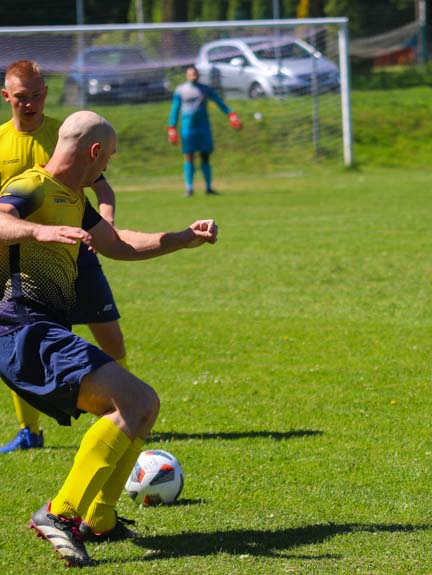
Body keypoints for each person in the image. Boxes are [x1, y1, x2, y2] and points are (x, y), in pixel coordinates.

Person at [0, 110, 218, 567]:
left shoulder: (72, 198)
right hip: (21, 328)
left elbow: (116, 242)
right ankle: (60, 513)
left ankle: (98, 517)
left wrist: (179, 239)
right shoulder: (30, 186)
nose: (107, 169)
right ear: (94, 153)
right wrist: (40, 230)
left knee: (143, 406)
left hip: (42, 330)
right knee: (135, 402)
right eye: (109, 158)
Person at [0, 59, 128, 454]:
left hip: (75, 243)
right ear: (7, 97)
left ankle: (120, 406)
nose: (31, 103)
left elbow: (103, 189)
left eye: (38, 94)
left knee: (110, 335)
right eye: (23, 97)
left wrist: (103, 225)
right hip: (21, 256)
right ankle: (30, 431)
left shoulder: (66, 132)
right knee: (24, 335)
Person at [168, 65, 242, 197]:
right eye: (191, 74)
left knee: (205, 156)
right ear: (187, 75)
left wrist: (231, 114)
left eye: (195, 73)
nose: (193, 76)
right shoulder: (180, 90)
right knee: (188, 156)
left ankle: (208, 187)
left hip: (203, 128)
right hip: (187, 129)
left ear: (198, 75)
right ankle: (189, 188)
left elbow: (219, 102)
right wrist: (172, 128)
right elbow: (175, 109)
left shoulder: (206, 89)